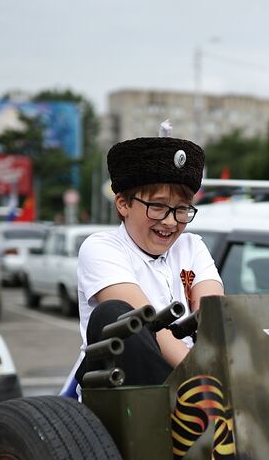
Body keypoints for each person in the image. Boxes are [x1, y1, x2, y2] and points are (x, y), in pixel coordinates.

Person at [60, 132, 223, 396]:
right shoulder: (101, 247)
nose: (170, 222)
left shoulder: (192, 246)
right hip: (131, 392)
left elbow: (214, 316)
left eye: (181, 209)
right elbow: (147, 325)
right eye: (158, 207)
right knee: (117, 314)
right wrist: (204, 382)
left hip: (197, 386)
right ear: (123, 203)